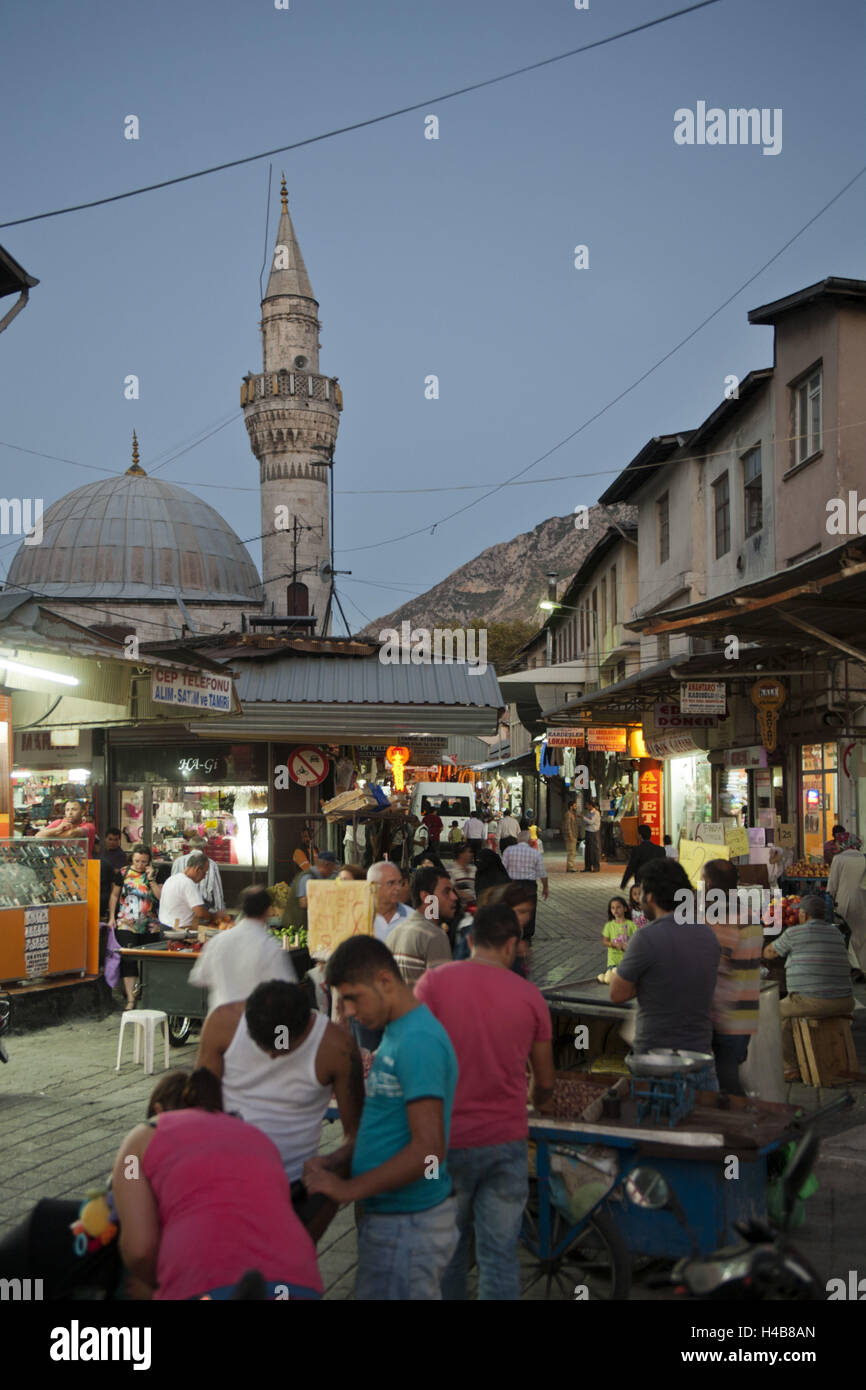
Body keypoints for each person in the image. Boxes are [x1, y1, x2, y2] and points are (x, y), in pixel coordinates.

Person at [305, 936, 459, 1301]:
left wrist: (348, 1190)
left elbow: (429, 1151)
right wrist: (338, 1161)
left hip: (410, 1224)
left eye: (353, 998)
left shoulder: (417, 1041)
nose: (350, 1012)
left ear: (385, 981)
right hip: (395, 1220)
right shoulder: (398, 1032)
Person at [415, 902, 554, 1301]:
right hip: (505, 1143)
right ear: (512, 944)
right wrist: (531, 1099)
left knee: (448, 1253)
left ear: (471, 940)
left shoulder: (433, 985)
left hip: (443, 1143)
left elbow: (416, 1058)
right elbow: (545, 1082)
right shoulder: (530, 998)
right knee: (498, 1255)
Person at [111, 1068, 323, 1300]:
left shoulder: (141, 1140)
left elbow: (140, 1250)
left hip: (205, 1284)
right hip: (296, 1281)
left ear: (159, 1111)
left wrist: (157, 1290)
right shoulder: (256, 1137)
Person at [197, 979, 364, 1198]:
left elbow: (357, 1135)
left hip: (293, 1184)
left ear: (305, 1028)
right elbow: (198, 1109)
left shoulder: (336, 1047)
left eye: (281, 1048)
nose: (272, 1056)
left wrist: (329, 1165)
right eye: (262, 1046)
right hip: (224, 1175)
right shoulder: (223, 1024)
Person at [610, 858, 721, 1086]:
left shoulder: (645, 938)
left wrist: (648, 982)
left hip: (655, 1063)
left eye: (641, 893)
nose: (639, 899)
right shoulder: (708, 936)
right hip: (700, 1058)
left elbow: (617, 994)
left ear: (649, 896)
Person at [763, 894, 855, 1082]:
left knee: (773, 1011)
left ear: (803, 915)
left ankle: (789, 1067)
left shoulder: (794, 933)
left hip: (813, 1001)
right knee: (790, 1011)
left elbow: (769, 953)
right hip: (845, 1001)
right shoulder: (836, 933)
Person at [702, 859, 762, 1096]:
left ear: (708, 883)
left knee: (726, 1085)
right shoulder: (748, 914)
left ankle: (743, 1126)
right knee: (729, 1078)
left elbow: (715, 966)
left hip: (725, 1017)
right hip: (744, 1014)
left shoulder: (723, 916)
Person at [188, 884, 297, 1012]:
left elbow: (199, 977)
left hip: (220, 1021)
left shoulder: (217, 941)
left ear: (242, 910)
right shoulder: (271, 948)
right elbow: (287, 990)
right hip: (253, 1023)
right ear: (268, 911)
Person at [108, 846, 163, 1010]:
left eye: (144, 862)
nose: (140, 864)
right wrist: (112, 916)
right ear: (132, 859)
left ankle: (147, 995)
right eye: (137, 861)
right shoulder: (123, 873)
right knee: (128, 959)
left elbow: (160, 897)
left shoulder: (156, 873)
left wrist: (151, 878)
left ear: (149, 862)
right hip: (127, 923)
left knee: (149, 961)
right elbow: (114, 895)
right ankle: (131, 998)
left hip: (150, 925)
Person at [385, 866, 458, 982]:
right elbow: (442, 990)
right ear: (426, 897)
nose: (454, 897)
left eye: (453, 891)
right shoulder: (434, 936)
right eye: (446, 892)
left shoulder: (394, 932)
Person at [157, 851, 228, 932]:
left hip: (164, 926)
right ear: (197, 869)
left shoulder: (172, 879)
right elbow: (200, 913)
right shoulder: (188, 884)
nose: (204, 877)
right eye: (204, 873)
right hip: (177, 930)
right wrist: (215, 916)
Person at [501, 825, 549, 940]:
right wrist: (545, 888)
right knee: (530, 910)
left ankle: (513, 931)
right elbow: (542, 873)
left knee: (513, 908)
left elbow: (503, 869)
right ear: (529, 840)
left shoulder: (508, 851)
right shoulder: (535, 853)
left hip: (513, 885)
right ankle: (527, 935)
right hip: (529, 886)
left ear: (518, 840)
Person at [827, 843, 866, 975]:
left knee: (846, 932)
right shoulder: (863, 858)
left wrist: (830, 895)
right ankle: (861, 965)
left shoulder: (838, 859)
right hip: (862, 901)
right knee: (860, 934)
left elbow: (832, 883)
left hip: (843, 902)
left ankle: (852, 965)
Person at [282, 850, 339, 932]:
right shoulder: (308, 877)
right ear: (327, 865)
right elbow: (304, 902)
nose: (333, 871)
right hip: (296, 928)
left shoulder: (319, 878)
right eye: (333, 867)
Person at [170, 839, 225, 912]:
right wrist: (220, 911)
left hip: (181, 906)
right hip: (204, 906)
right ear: (204, 849)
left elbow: (173, 887)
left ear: (190, 848)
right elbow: (217, 891)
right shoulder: (211, 864)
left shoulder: (178, 861)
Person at [367, 860, 411, 942]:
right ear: (373, 886)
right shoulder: (358, 918)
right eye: (391, 883)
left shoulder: (412, 918)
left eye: (400, 882)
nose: (398, 888)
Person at [598, 896, 636, 985]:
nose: (615, 910)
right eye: (613, 908)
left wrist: (628, 945)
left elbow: (637, 941)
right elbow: (605, 941)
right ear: (610, 910)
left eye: (618, 907)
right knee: (613, 974)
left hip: (627, 961)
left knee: (620, 977)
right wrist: (614, 944)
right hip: (613, 962)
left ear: (625, 909)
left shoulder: (632, 925)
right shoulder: (609, 925)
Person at [620, 824, 665, 889]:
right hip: (656, 883)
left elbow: (631, 867)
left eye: (637, 834)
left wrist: (623, 883)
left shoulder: (637, 850)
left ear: (640, 836)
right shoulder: (660, 850)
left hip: (641, 883)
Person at [99, 827, 128, 916]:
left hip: (112, 888)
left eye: (115, 840)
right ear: (105, 839)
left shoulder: (121, 855)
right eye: (110, 839)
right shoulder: (102, 852)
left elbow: (120, 872)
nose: (112, 842)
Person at [449, 842, 477, 911]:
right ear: (461, 854)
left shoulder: (474, 869)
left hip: (474, 906)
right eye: (469, 852)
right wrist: (464, 896)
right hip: (458, 909)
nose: (471, 854)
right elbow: (450, 889)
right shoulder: (451, 870)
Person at [581, 800, 601, 872]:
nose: (586, 806)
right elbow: (586, 822)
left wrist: (583, 818)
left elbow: (591, 821)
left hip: (594, 833)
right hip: (588, 832)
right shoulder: (588, 813)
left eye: (587, 805)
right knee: (588, 850)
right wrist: (586, 820)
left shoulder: (596, 813)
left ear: (590, 805)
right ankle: (587, 867)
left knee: (594, 850)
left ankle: (596, 866)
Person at [562, 799, 579, 873]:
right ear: (571, 807)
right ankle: (570, 867)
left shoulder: (573, 814)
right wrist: (570, 835)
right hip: (570, 836)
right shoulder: (568, 814)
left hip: (574, 835)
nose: (576, 807)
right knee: (571, 852)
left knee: (573, 852)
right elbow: (567, 826)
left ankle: (570, 866)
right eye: (575, 806)